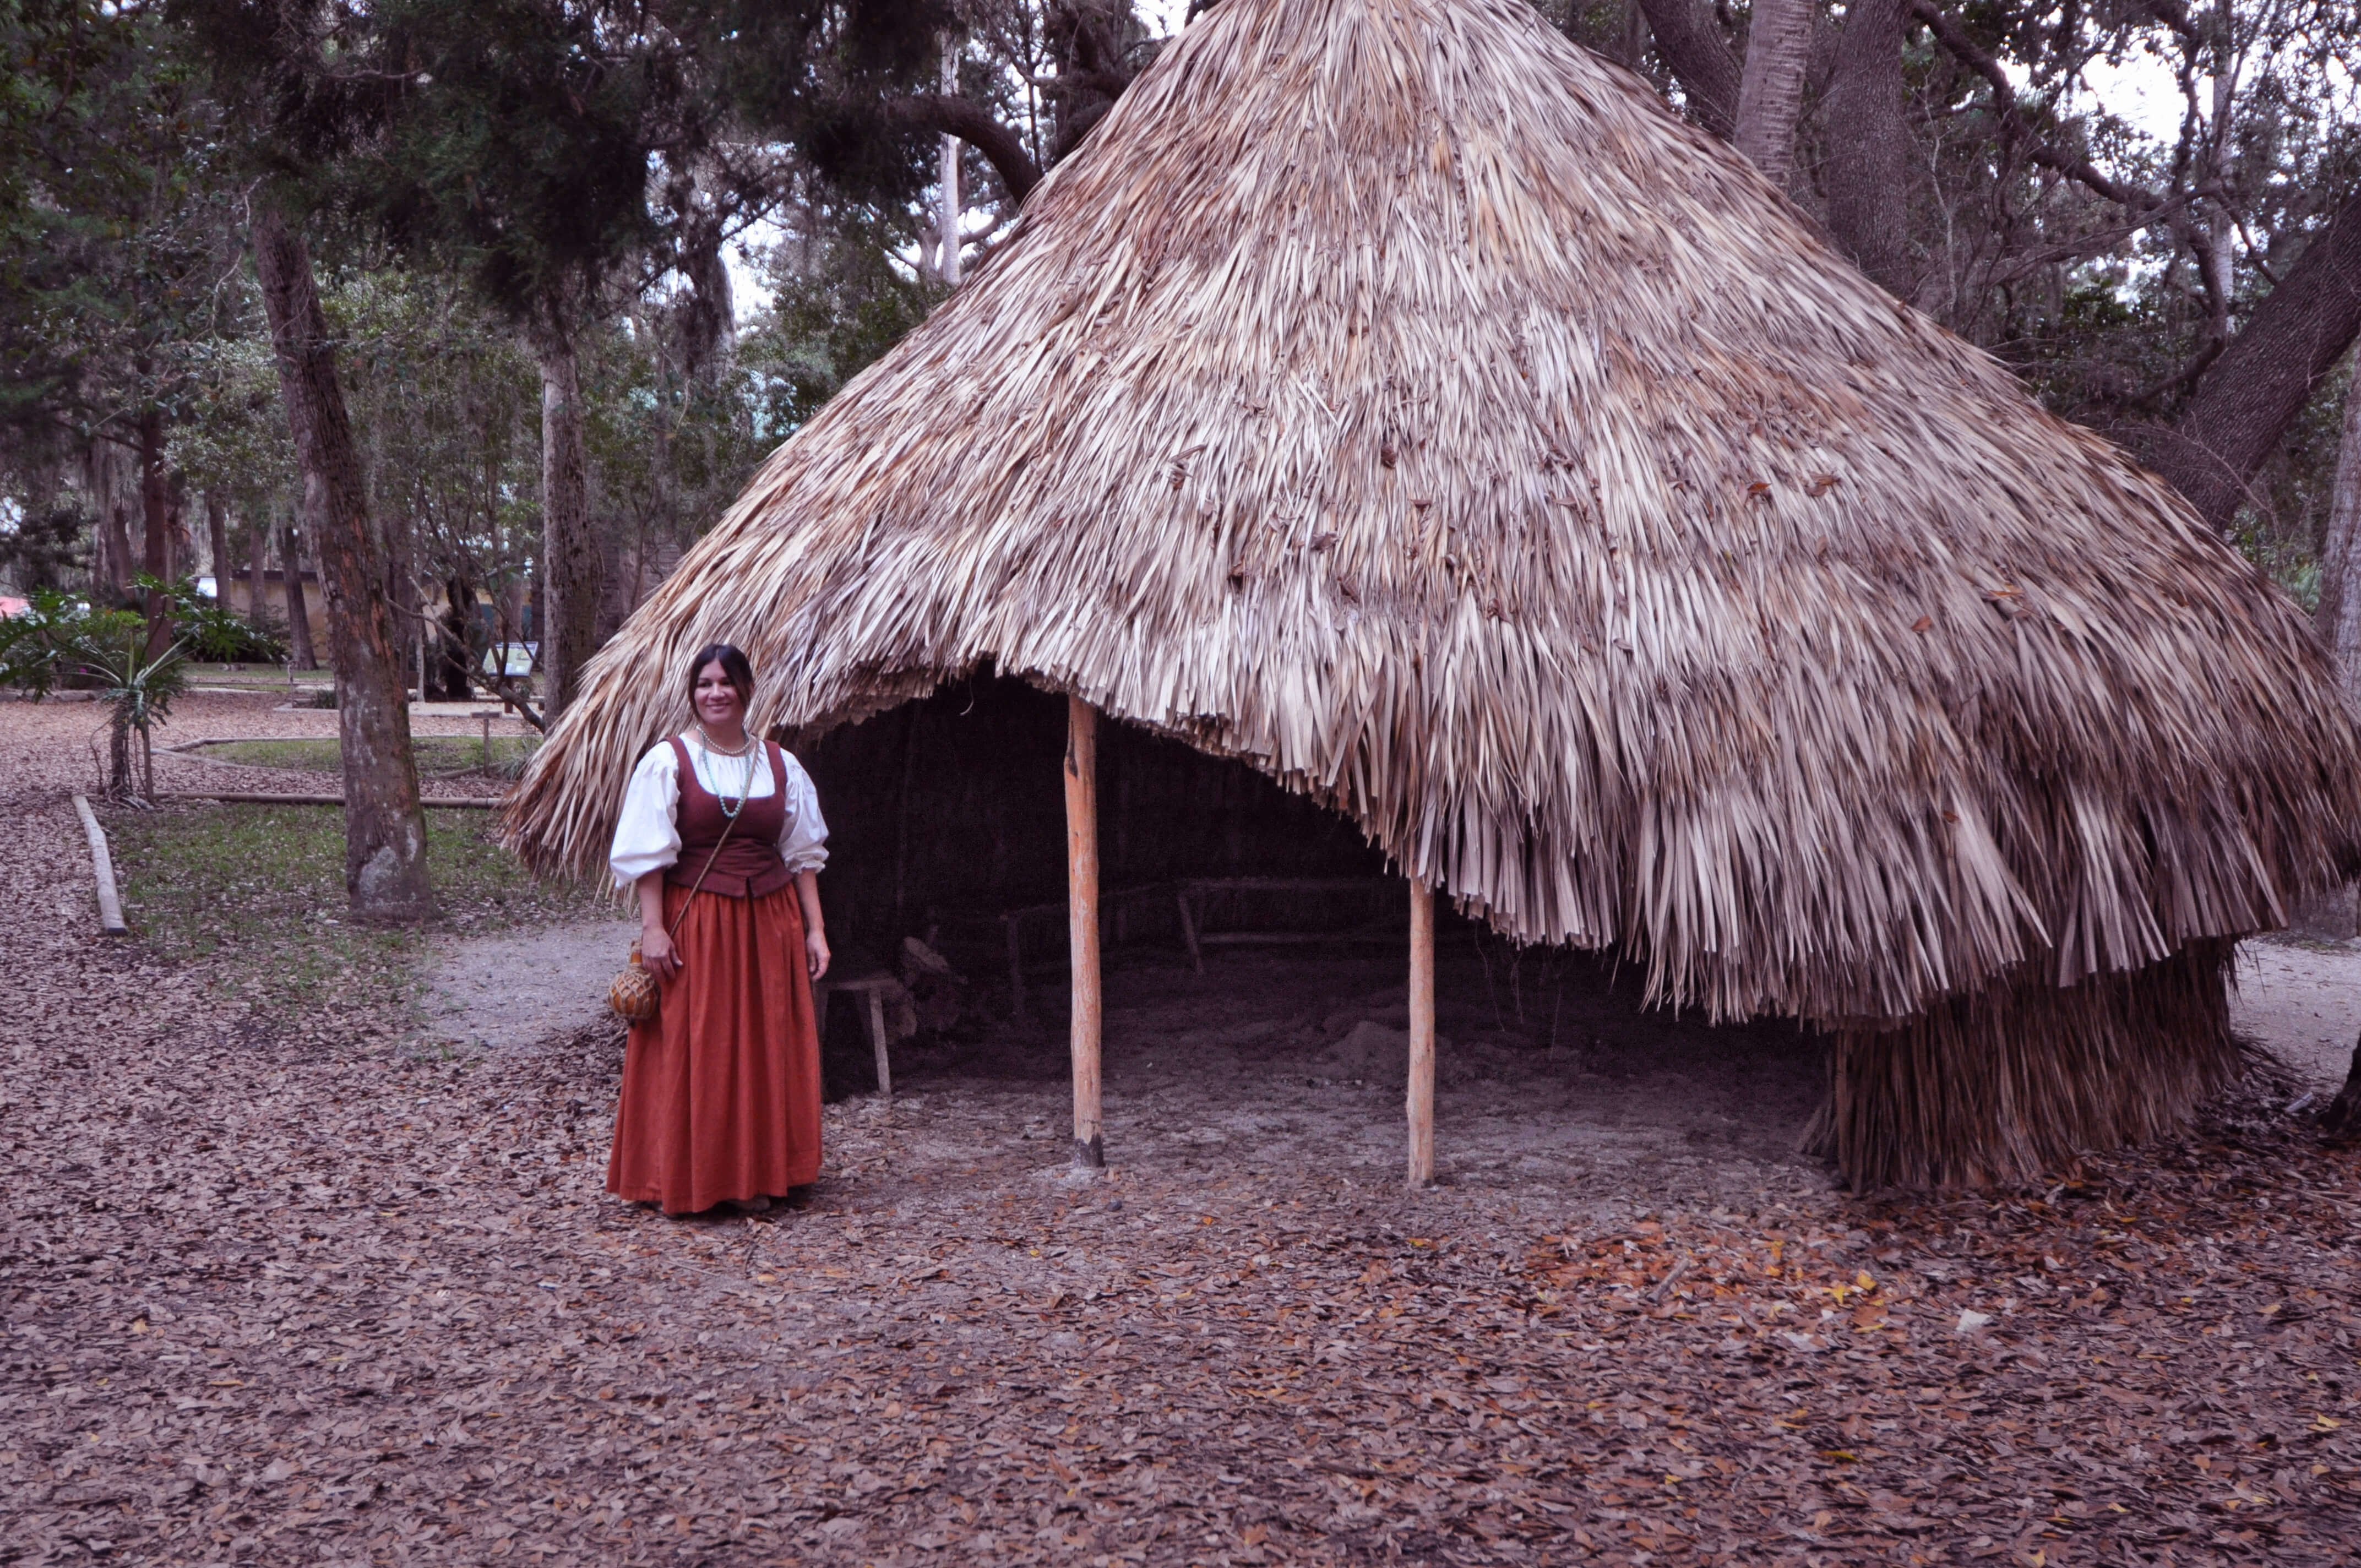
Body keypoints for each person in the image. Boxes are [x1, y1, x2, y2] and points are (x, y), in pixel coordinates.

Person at [606, 643, 831, 1215]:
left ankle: (762, 1173)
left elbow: (803, 854)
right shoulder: (669, 760)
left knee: (764, 1043)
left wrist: (816, 930)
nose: (714, 692)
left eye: (726, 682)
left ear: (746, 691)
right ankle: (693, 1177)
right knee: (699, 1042)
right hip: (701, 922)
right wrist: (653, 928)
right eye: (704, 683)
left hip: (771, 923)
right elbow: (648, 856)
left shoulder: (781, 763)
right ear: (692, 692)